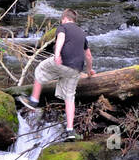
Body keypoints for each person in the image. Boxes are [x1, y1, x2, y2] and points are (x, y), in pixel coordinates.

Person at [19, 9, 94, 140]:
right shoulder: (82, 33)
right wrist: (89, 71)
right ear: (74, 20)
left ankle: (34, 100)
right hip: (76, 68)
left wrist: (57, 53)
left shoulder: (62, 27)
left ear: (64, 18)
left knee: (40, 69)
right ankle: (70, 130)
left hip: (62, 61)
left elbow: (61, 38)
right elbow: (88, 55)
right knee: (70, 97)